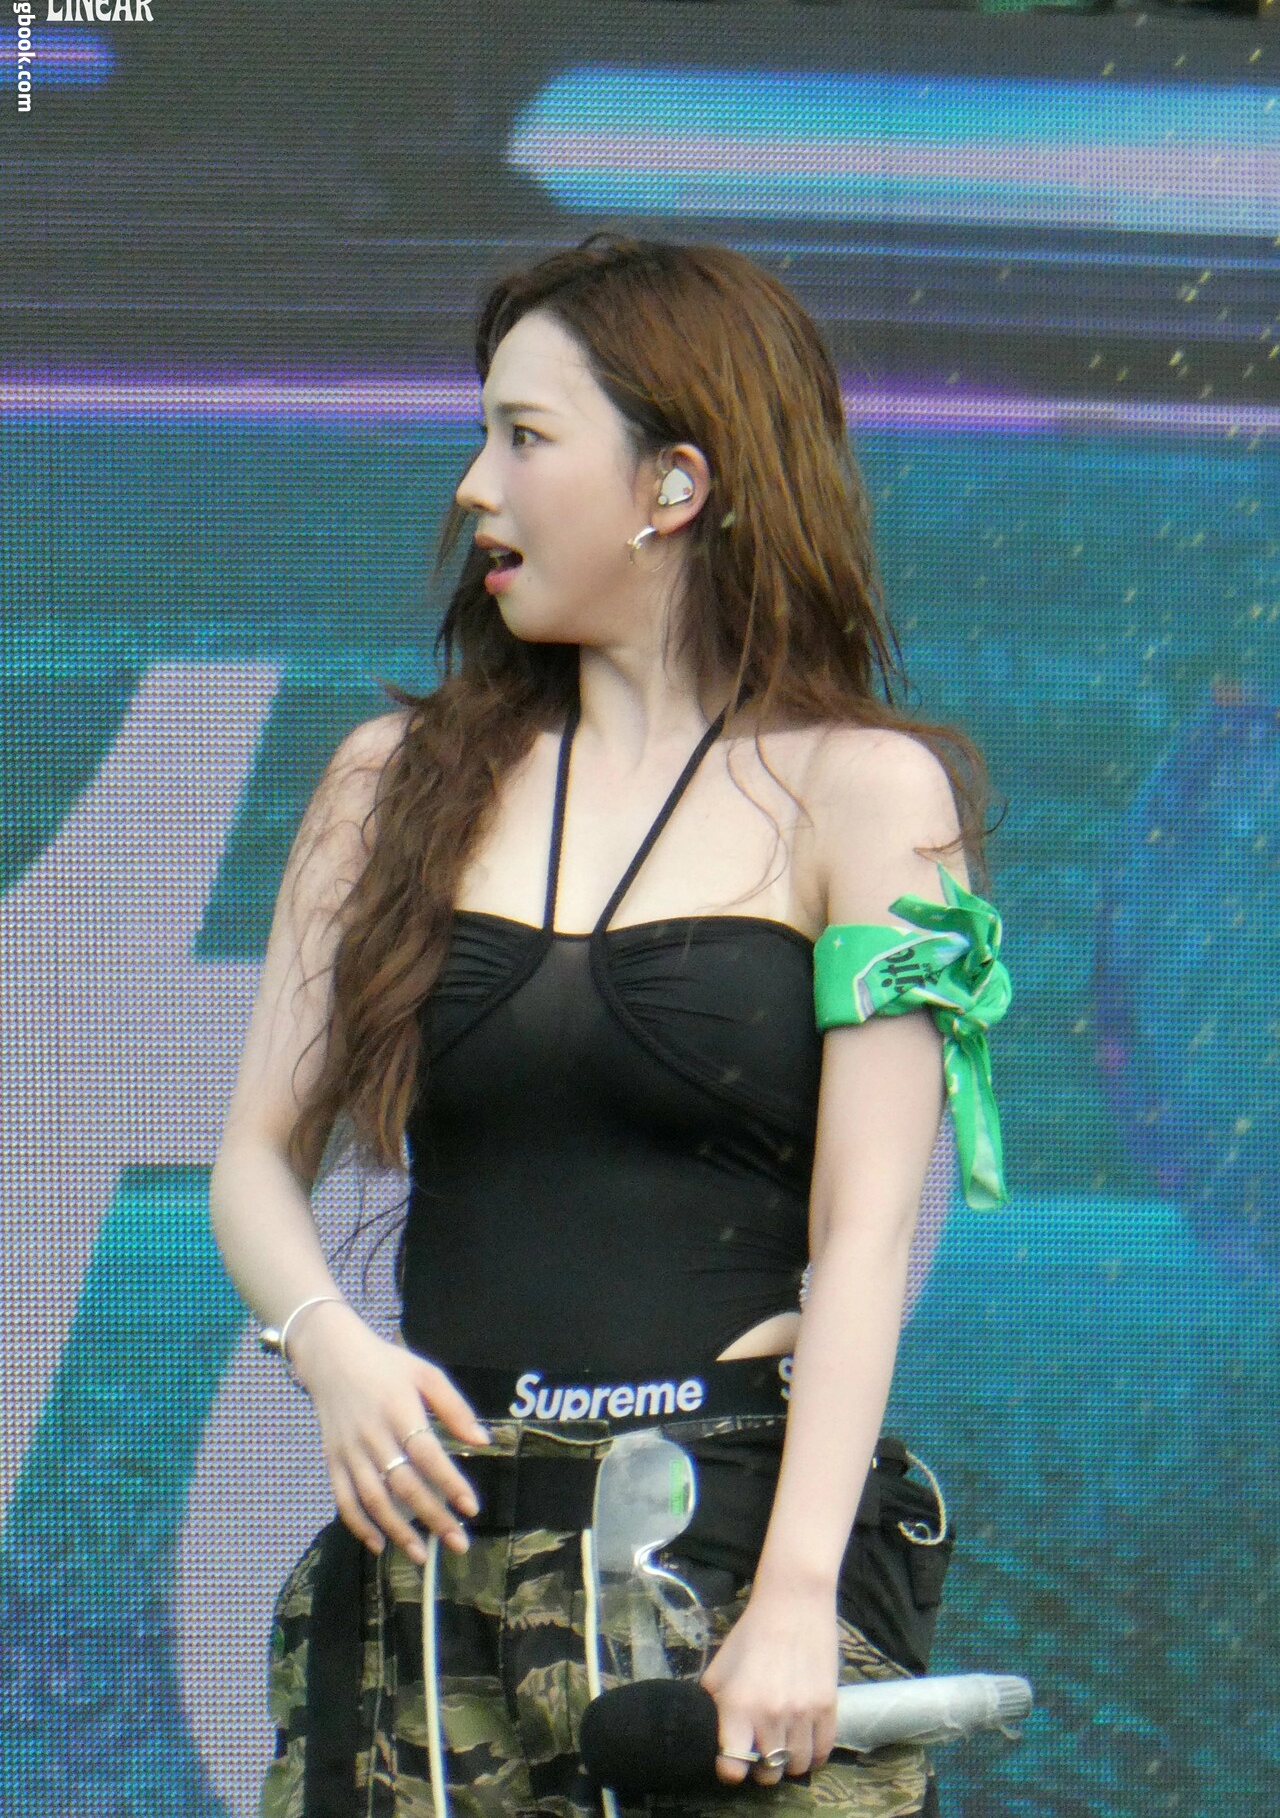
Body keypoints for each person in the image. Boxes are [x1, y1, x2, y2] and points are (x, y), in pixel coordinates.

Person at [209, 233, 1012, 1818]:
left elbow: (866, 1233)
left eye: (524, 436)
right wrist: (328, 1346)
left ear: (675, 485)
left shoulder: (868, 795)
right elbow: (252, 1159)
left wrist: (797, 1597)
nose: (473, 486)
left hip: (711, 1545)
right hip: (436, 1553)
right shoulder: (387, 781)